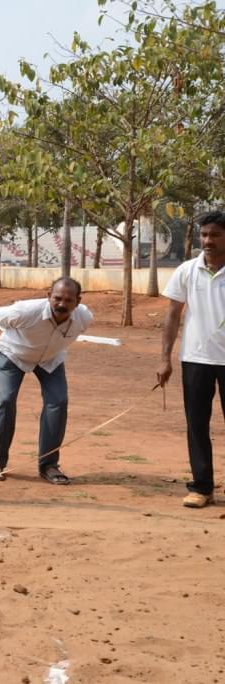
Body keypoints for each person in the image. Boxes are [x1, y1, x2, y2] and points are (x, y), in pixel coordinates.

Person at [0, 277, 93, 485]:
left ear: (77, 301)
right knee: (6, 400)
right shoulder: (25, 311)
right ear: (48, 296)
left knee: (58, 402)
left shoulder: (84, 318)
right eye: (57, 298)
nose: (62, 304)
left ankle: (49, 465)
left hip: (50, 360)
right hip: (13, 354)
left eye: (69, 300)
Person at [157, 211, 225, 508]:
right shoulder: (187, 270)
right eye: (204, 235)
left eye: (215, 235)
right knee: (196, 424)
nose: (208, 241)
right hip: (196, 358)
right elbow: (173, 315)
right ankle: (201, 487)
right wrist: (165, 359)